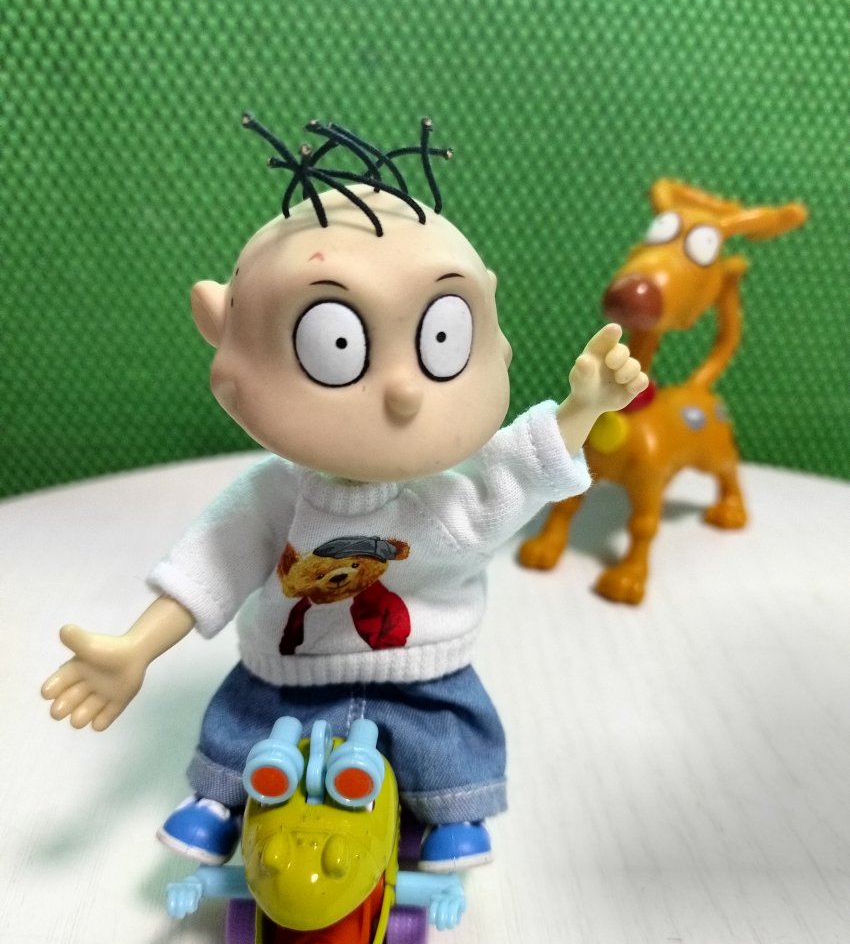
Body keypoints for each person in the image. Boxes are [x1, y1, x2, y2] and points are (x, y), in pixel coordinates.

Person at [41, 118, 647, 872]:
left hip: (424, 669)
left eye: (441, 337)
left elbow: (514, 475)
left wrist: (582, 409)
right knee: (242, 722)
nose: (401, 391)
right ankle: (220, 798)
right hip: (286, 673)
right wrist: (135, 649)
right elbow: (209, 567)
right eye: (337, 345)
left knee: (450, 733)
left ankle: (456, 808)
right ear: (219, 325)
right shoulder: (273, 496)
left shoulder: (445, 499)